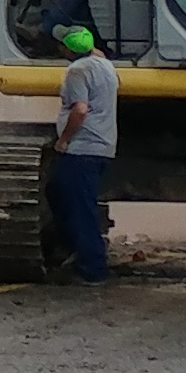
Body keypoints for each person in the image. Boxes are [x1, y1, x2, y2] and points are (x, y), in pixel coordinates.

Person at [50, 20, 120, 285]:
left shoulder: (76, 72)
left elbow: (80, 109)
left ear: (67, 50)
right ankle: (73, 246)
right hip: (102, 146)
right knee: (58, 190)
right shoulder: (105, 66)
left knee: (81, 207)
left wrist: (64, 140)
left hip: (82, 147)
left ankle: (93, 268)